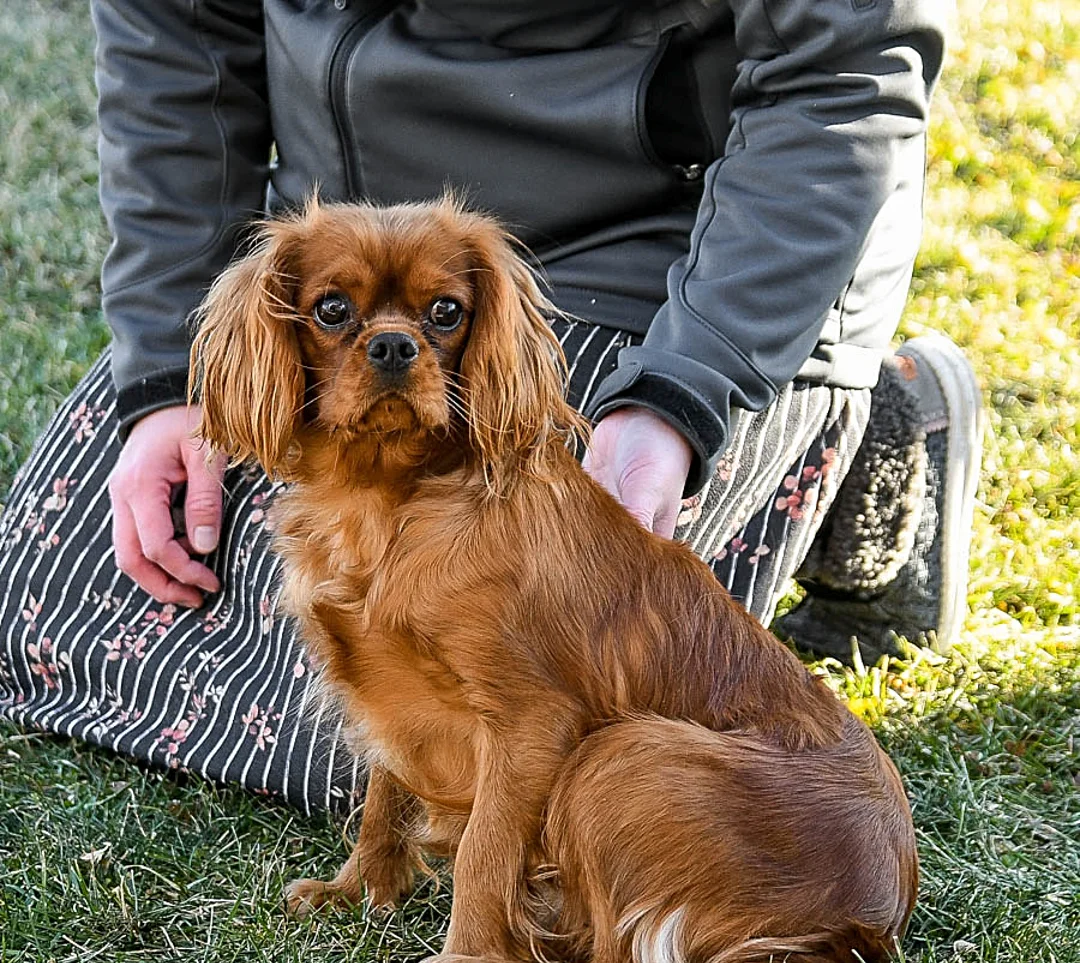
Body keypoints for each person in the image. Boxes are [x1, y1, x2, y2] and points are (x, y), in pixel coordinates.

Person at [0, 0, 980, 816]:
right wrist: (175, 379)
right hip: (347, 275)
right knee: (41, 621)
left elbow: (839, 82)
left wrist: (680, 397)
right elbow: (174, 36)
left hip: (645, 267)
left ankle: (874, 452)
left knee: (437, 735)